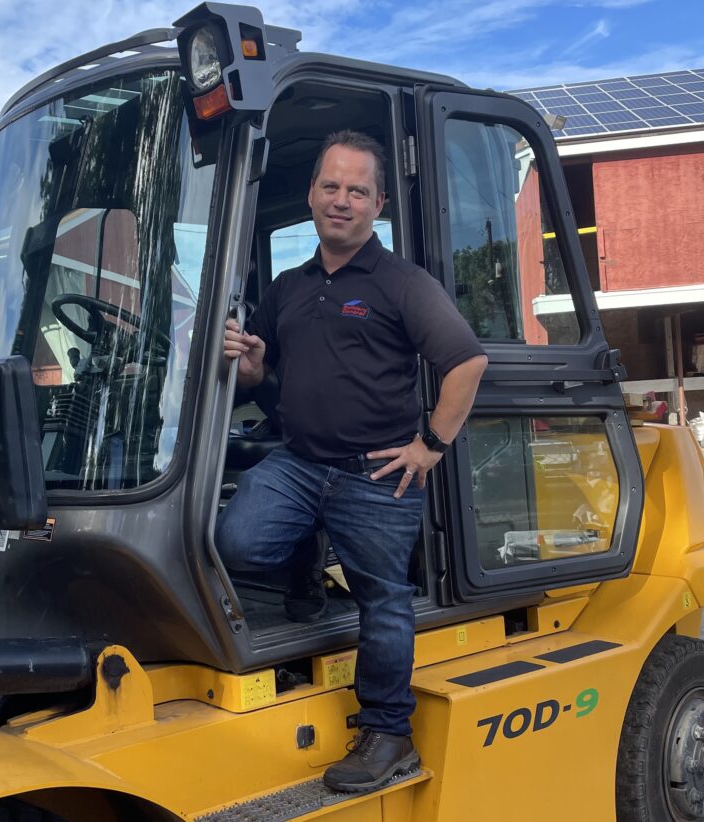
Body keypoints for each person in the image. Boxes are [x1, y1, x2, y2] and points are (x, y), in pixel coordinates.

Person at [217, 130, 488, 793]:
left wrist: (430, 445)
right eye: (331, 187)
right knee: (236, 541)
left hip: (376, 472)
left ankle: (388, 731)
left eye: (357, 191)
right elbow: (259, 375)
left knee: (383, 600)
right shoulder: (287, 288)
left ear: (378, 203)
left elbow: (467, 362)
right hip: (300, 463)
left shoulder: (401, 283)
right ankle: (307, 557)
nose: (342, 201)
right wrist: (249, 363)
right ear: (313, 194)